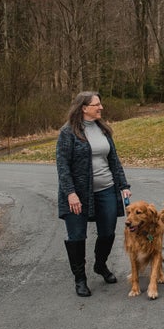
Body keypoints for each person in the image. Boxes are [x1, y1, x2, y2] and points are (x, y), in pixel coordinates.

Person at [56, 91, 132, 297]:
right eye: (96, 104)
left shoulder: (103, 129)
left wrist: (123, 185)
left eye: (100, 104)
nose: (101, 107)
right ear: (84, 108)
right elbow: (63, 167)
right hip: (77, 194)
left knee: (107, 231)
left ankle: (100, 265)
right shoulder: (68, 132)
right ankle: (80, 279)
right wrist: (70, 193)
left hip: (106, 188)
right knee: (77, 236)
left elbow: (114, 160)